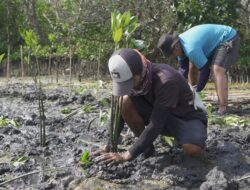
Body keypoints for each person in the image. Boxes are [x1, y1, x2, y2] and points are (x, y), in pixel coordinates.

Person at [91, 48, 207, 163]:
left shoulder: (166, 80)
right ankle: (147, 149)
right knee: (124, 102)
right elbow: (118, 114)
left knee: (192, 149)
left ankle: (184, 138)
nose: (128, 88)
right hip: (158, 112)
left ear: (139, 74)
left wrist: (128, 154)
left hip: (185, 117)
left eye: (129, 83)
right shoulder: (134, 80)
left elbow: (156, 124)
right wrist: (109, 145)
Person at [157, 24, 240, 115]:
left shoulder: (190, 48)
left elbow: (205, 71)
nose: (173, 57)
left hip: (228, 37)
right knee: (194, 64)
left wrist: (196, 91)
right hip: (214, 44)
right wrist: (173, 87)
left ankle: (223, 108)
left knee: (217, 69)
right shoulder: (181, 46)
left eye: (172, 54)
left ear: (176, 47)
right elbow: (183, 70)